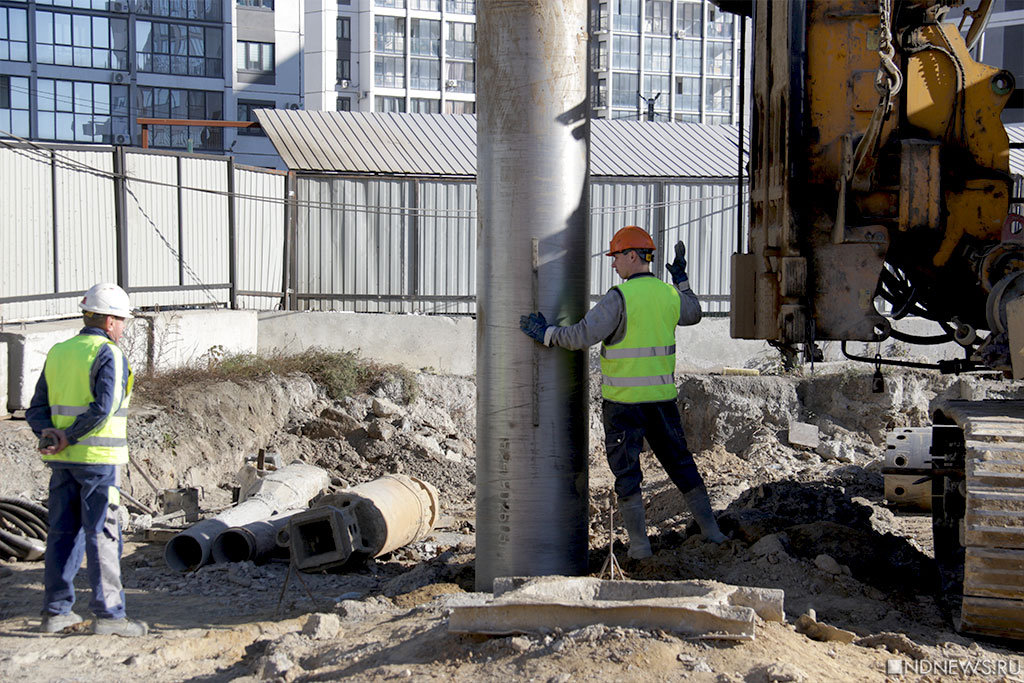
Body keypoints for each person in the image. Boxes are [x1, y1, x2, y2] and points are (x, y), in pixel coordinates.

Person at [520, 226, 726, 559]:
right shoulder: (669, 295)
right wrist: (682, 280)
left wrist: (547, 334)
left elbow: (580, 336)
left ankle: (640, 548)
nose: (614, 265)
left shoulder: (619, 298)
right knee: (682, 465)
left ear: (632, 256)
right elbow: (695, 312)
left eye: (616, 257)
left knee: (628, 475)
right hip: (661, 403)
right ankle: (713, 532)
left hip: (624, 408)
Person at [26, 283, 148, 636]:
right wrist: (70, 435)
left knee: (62, 534)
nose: (124, 328)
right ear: (109, 321)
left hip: (63, 462)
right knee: (103, 535)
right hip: (98, 461)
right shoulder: (108, 353)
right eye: (122, 321)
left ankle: (55, 612)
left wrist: (51, 435)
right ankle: (110, 616)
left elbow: (36, 409)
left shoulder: (60, 352)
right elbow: (103, 408)